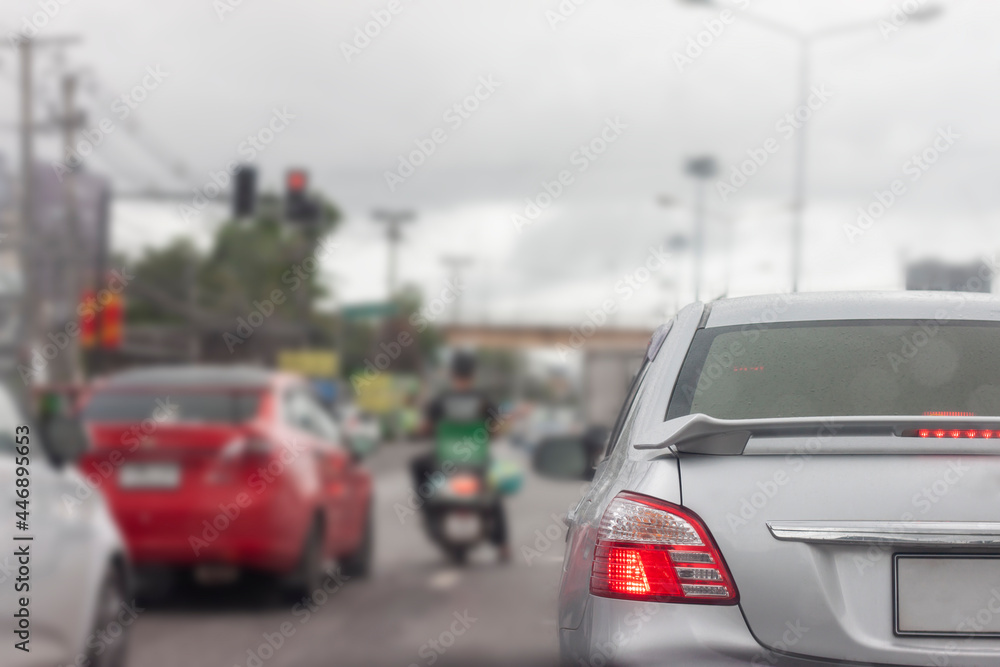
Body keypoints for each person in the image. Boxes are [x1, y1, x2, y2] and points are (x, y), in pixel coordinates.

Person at [412, 351, 510, 562]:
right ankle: (502, 545)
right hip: (477, 461)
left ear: (452, 374)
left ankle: (428, 509)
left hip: (444, 462)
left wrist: (422, 432)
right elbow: (497, 430)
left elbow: (425, 428)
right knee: (493, 492)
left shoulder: (440, 401)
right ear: (473, 374)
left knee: (417, 466)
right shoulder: (484, 401)